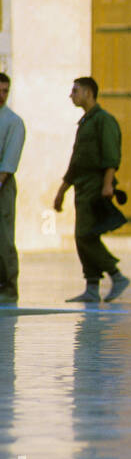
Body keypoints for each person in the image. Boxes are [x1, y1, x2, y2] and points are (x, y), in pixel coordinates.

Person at [53, 77, 130, 303]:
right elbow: (76, 161)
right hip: (82, 187)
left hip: (97, 185)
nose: (71, 95)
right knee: (84, 235)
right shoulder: (86, 122)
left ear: (88, 93)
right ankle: (92, 287)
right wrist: (62, 189)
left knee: (85, 235)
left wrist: (107, 183)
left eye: (75, 91)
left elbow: (111, 155)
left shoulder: (103, 121)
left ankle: (117, 276)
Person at [0, 73, 24, 304]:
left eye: (6, 90)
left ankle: (8, 288)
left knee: (4, 238)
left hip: (3, 186)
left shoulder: (13, 121)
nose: (2, 95)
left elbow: (10, 158)